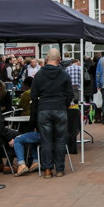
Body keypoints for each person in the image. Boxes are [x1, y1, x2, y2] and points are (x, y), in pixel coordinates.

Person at [31, 49, 73, 178]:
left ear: (47, 58)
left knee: (46, 141)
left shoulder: (39, 74)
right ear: (59, 59)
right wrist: (64, 104)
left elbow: (34, 96)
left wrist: (36, 111)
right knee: (60, 140)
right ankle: (60, 169)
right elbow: (70, 94)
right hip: (59, 107)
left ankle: (47, 169)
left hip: (44, 108)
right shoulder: (64, 74)